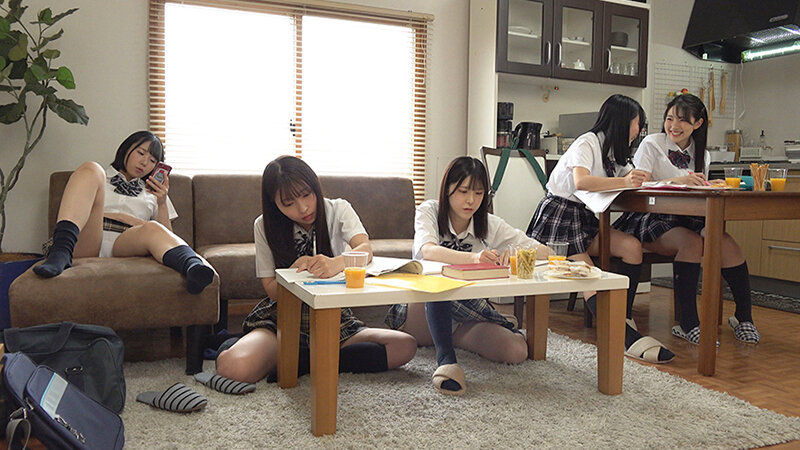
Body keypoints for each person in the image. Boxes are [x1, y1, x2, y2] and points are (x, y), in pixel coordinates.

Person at [215, 155, 417, 384]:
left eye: (307, 195)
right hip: (283, 319)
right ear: (274, 203)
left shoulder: (338, 209)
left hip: (332, 318)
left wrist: (335, 263)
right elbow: (271, 289)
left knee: (404, 346)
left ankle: (299, 362)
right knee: (233, 368)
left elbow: (365, 249)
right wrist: (292, 273)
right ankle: (313, 357)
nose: (303, 208)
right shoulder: (264, 225)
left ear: (315, 186)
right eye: (288, 203)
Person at [527, 94, 675, 364]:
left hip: (583, 218)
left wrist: (664, 180)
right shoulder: (587, 142)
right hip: (558, 217)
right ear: (623, 121)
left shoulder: (614, 151)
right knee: (588, 275)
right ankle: (622, 336)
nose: (639, 129)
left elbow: (634, 178)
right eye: (638, 123)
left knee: (631, 247)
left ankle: (622, 317)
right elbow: (581, 181)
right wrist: (624, 181)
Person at [385, 156, 550, 396]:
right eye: (463, 191)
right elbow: (427, 251)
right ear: (447, 189)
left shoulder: (490, 224)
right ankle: (446, 359)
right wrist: (474, 258)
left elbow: (545, 251)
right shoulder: (429, 211)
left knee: (516, 350)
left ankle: (454, 334)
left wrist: (516, 253)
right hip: (421, 311)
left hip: (464, 314)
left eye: (479, 193)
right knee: (439, 284)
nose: (471, 200)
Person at [613, 94, 760, 344]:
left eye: (682, 120)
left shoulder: (702, 154)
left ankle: (743, 317)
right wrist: (677, 180)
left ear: (698, 123)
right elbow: (638, 184)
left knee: (726, 243)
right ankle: (688, 322)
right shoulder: (652, 143)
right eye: (670, 118)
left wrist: (708, 184)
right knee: (691, 243)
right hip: (650, 216)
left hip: (689, 217)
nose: (674, 126)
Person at [34, 131, 215, 294]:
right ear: (126, 149)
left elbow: (166, 236)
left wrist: (161, 203)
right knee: (91, 167)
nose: (144, 162)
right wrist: (126, 218)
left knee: (152, 227)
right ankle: (60, 252)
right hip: (89, 239)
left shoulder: (154, 193)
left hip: (125, 244)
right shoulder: (98, 179)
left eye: (152, 161)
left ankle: (193, 267)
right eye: (141, 153)